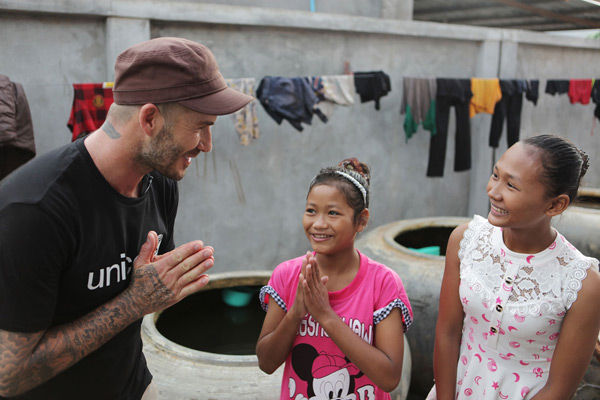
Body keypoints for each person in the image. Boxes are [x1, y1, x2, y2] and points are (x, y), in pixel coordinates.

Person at [0, 37, 252, 399]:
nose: (207, 144)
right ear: (149, 119)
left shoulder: (159, 182)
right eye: (200, 126)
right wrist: (134, 303)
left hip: (134, 385)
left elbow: (145, 290)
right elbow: (8, 376)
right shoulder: (36, 211)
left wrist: (165, 287)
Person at [430, 134, 600, 399]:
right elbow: (447, 333)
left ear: (555, 204)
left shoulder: (581, 283)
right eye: (495, 175)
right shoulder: (466, 241)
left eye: (511, 185)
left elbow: (559, 389)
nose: (493, 191)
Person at [256, 158, 413, 400]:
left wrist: (326, 316)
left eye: (332, 213)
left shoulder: (383, 283)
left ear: (361, 220)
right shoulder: (287, 275)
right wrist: (295, 313)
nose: (318, 224)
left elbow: (389, 378)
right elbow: (266, 363)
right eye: (311, 211)